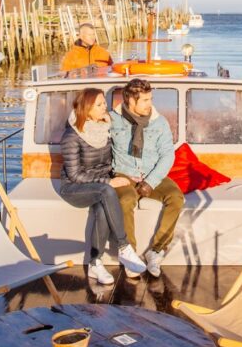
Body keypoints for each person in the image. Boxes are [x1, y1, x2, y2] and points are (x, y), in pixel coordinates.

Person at [59, 87, 145, 283]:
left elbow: (114, 158)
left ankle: (94, 264)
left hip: (99, 186)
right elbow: (74, 175)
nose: (104, 107)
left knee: (102, 206)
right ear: (87, 109)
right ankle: (124, 247)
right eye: (99, 105)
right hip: (73, 188)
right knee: (107, 191)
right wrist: (108, 181)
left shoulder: (104, 128)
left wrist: (127, 174)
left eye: (103, 103)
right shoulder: (71, 137)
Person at [111, 78, 184, 277]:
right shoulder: (112, 119)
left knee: (176, 198)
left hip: (151, 173)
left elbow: (168, 154)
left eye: (150, 98)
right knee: (126, 200)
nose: (149, 104)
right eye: (144, 100)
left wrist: (150, 182)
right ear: (129, 101)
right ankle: (130, 254)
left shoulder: (159, 122)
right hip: (124, 173)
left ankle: (156, 250)